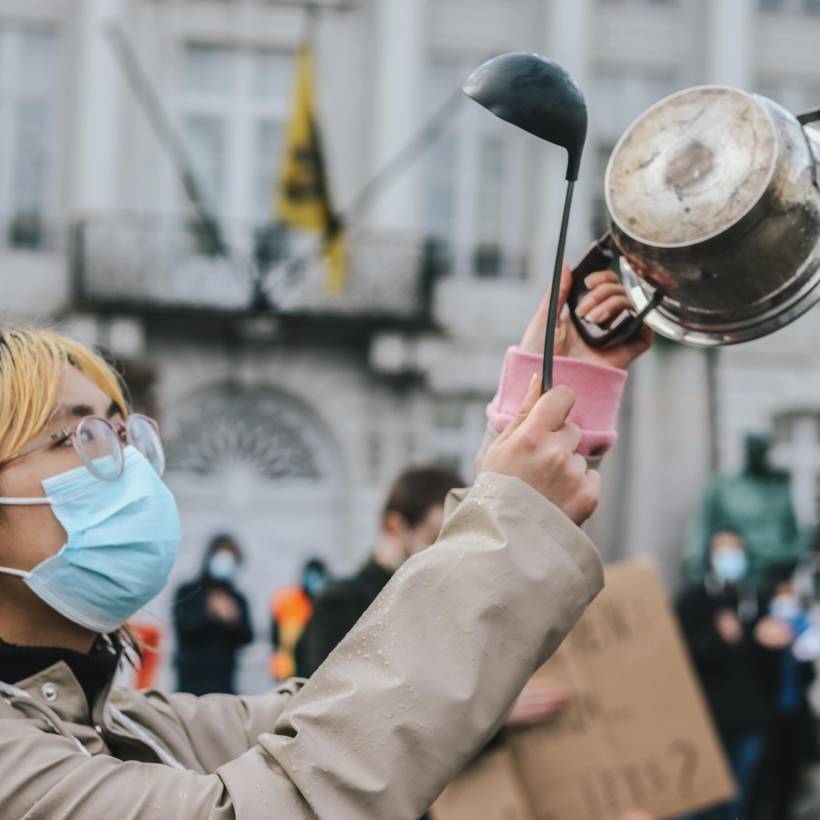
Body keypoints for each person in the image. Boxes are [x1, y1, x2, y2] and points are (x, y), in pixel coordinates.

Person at [0, 264, 649, 818]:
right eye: (74, 437)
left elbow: (344, 715)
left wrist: (549, 408)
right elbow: (290, 800)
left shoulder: (120, 721)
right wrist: (513, 514)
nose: (128, 468)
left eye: (123, 436)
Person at [295, 465, 463, 678]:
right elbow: (325, 699)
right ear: (394, 526)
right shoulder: (341, 601)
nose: (446, 552)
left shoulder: (439, 600)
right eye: (435, 537)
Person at [676, 530, 792, 820]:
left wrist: (771, 643)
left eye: (734, 550)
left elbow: (768, 662)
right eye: (722, 550)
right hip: (703, 718)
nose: (729, 558)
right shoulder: (693, 599)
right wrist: (717, 639)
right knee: (694, 800)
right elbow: (678, 653)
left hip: (749, 720)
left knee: (734, 802)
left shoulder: (758, 598)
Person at [685, 433, 805, 585]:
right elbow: (701, 526)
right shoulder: (725, 487)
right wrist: (694, 563)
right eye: (753, 449)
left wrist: (786, 556)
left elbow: (794, 537)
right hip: (733, 578)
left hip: (772, 575)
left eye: (761, 450)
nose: (756, 455)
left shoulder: (779, 489)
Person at [750, 570, 819, 820]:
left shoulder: (803, 629)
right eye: (782, 595)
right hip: (766, 717)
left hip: (794, 715)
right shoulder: (761, 629)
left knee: (788, 774)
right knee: (762, 775)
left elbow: (808, 676)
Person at [172, 533, 254, 695]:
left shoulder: (237, 598)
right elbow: (183, 629)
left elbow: (247, 637)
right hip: (190, 684)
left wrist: (232, 620)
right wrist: (208, 614)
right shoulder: (188, 592)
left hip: (224, 685)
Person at [270, 557, 329, 681]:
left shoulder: (327, 603)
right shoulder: (287, 601)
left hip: (315, 671)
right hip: (287, 671)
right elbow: (275, 637)